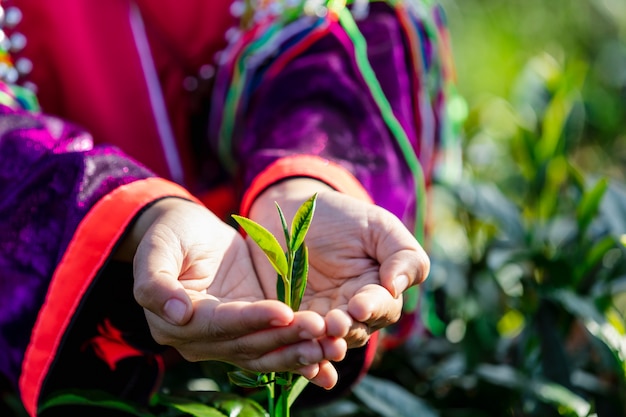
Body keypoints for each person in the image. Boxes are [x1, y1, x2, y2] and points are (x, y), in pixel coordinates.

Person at [0, 0, 459, 415]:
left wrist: (307, 181)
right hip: (101, 300)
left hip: (270, 263)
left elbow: (335, 19)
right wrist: (136, 216)